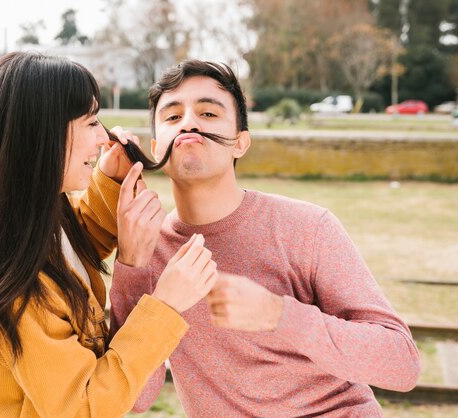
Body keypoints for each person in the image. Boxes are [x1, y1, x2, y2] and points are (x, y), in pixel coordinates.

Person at [109, 60, 421, 417]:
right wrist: (132, 266)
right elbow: (134, 398)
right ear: (153, 146)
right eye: (172, 117)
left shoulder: (307, 227)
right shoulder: (147, 250)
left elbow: (402, 363)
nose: (189, 123)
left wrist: (277, 314)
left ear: (240, 143)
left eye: (209, 114)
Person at [0, 52, 217, 417]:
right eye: (91, 122)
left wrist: (111, 182)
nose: (102, 138)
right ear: (41, 136)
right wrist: (165, 306)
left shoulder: (27, 226)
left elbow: (72, 254)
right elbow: (82, 407)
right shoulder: (9, 276)